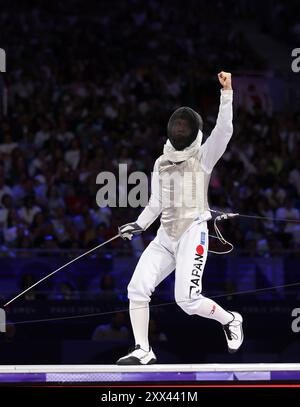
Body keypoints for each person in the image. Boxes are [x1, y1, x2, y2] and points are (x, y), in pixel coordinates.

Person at [117, 72, 243, 365]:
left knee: (187, 300)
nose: (181, 128)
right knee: (136, 289)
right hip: (165, 236)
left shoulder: (204, 156)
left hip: (193, 232)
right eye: (179, 125)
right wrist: (139, 225)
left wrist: (227, 94)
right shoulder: (161, 162)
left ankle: (230, 319)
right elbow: (157, 202)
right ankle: (143, 349)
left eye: (185, 125)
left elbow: (223, 131)